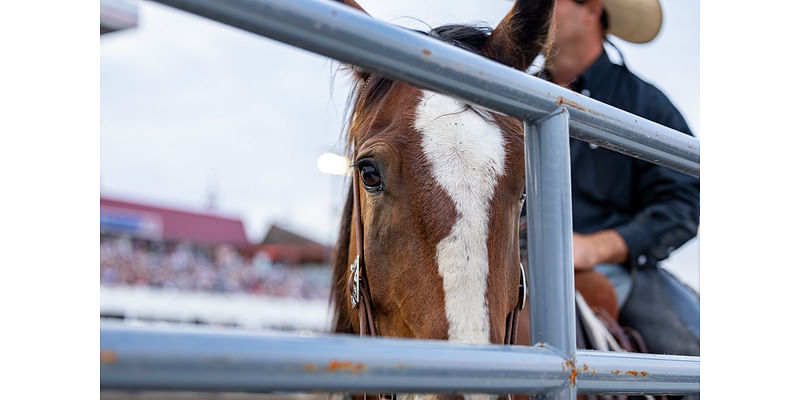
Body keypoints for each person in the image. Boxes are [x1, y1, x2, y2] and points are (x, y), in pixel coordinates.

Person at [523, 0, 700, 357]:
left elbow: (684, 202)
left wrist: (597, 247)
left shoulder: (644, 104)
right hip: (514, 260)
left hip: (615, 268)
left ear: (591, 9)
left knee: (693, 357)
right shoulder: (510, 96)